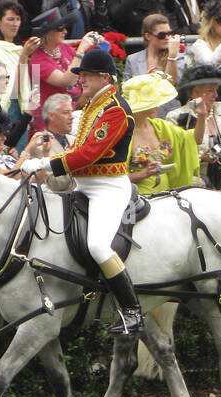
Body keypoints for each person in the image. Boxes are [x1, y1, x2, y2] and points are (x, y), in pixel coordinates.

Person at [19, 46, 142, 333]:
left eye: (88, 75)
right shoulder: (92, 106)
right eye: (81, 74)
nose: (82, 79)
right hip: (83, 185)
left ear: (105, 78)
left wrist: (43, 164)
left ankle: (132, 311)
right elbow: (78, 150)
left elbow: (87, 155)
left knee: (98, 245)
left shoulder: (115, 111)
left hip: (107, 188)